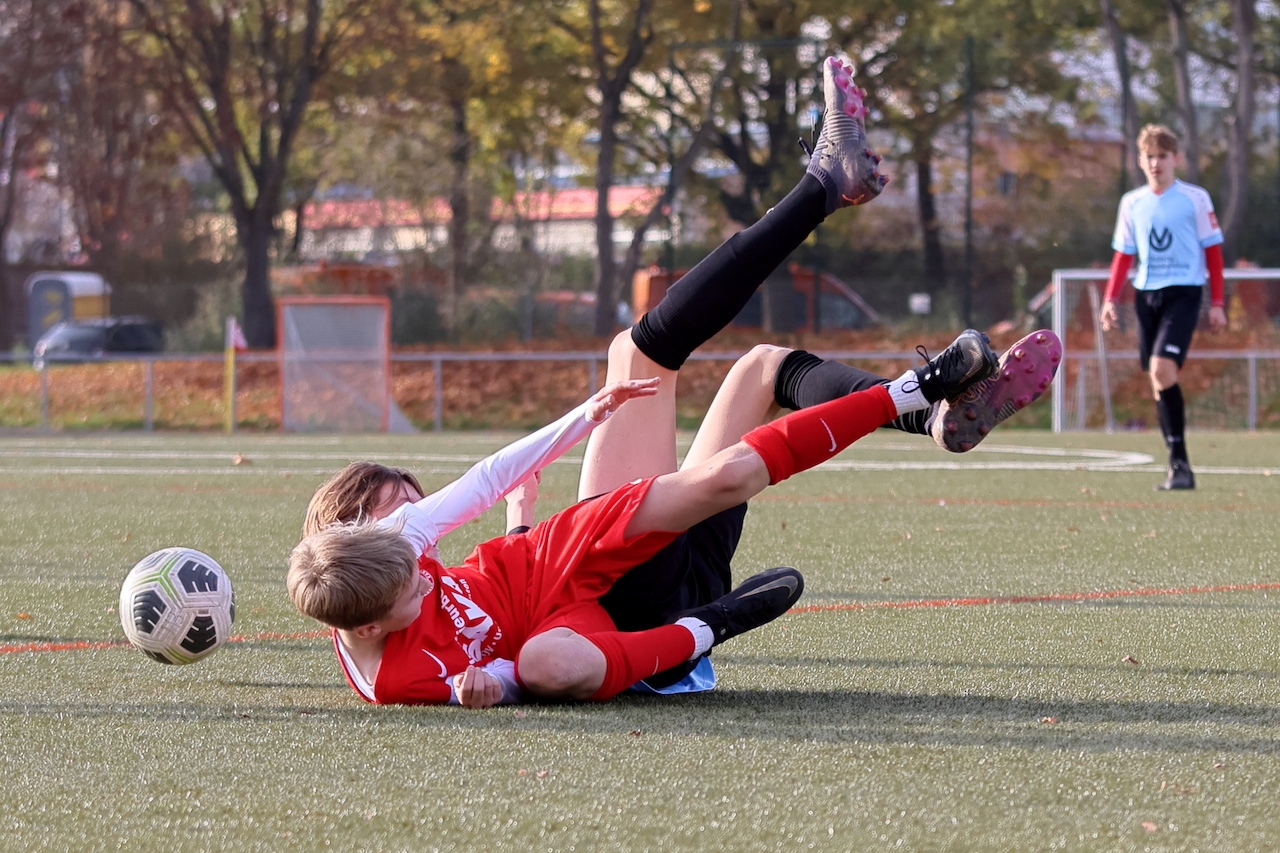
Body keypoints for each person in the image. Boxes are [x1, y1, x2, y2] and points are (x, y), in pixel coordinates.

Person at [294, 55, 1064, 702]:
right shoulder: (390, 638)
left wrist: (532, 501)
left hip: (638, 581)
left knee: (763, 369)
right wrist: (498, 681)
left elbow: (489, 557)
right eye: (396, 514)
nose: (419, 531)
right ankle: (834, 204)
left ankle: (932, 413)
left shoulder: (398, 562)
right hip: (621, 599)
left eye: (410, 511)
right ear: (364, 596)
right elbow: (509, 654)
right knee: (643, 358)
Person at [287, 323, 1007, 708]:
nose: (429, 575)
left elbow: (486, 485)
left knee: (737, 434)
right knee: (546, 663)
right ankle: (712, 625)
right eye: (414, 587)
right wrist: (490, 689)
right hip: (587, 618)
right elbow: (504, 670)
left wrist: (541, 487)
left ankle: (920, 394)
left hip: (557, 555)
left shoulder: (390, 550)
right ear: (370, 627)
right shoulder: (395, 679)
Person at [1098, 124, 1225, 491]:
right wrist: (1110, 299)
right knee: (1157, 380)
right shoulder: (1131, 203)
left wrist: (1218, 303)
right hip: (1146, 296)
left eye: (1163, 156)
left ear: (1176, 159)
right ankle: (1177, 465)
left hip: (1184, 292)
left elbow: (1213, 253)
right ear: (1140, 161)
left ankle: (1181, 464)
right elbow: (1124, 255)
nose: (1156, 163)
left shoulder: (1195, 199)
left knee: (1162, 369)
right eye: (1149, 156)